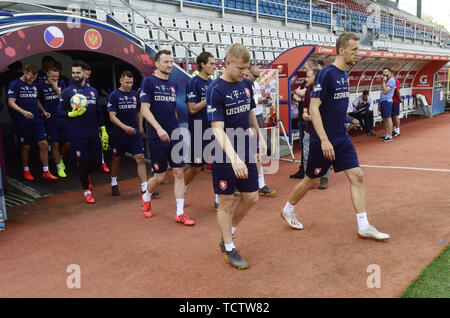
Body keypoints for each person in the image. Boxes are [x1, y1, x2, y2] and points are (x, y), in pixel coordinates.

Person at [281, 32, 390, 242]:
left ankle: (363, 226)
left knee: (357, 176)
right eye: (354, 50)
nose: (358, 53)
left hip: (341, 138)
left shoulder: (344, 74)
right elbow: (313, 108)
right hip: (322, 141)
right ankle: (287, 209)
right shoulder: (327, 74)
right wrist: (323, 139)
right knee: (311, 182)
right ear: (341, 50)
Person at [207, 43, 266, 269]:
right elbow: (217, 129)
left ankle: (227, 233)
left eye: (246, 68)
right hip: (224, 152)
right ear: (227, 62)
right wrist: (234, 158)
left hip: (246, 148)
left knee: (251, 197)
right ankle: (230, 247)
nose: (244, 72)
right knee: (226, 201)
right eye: (240, 68)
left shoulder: (246, 84)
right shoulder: (216, 89)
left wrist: (259, 137)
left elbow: (250, 112)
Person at [140, 50, 194, 226]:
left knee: (179, 172)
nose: (170, 65)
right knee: (160, 177)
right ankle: (146, 195)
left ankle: (180, 213)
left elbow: (172, 111)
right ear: (156, 64)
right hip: (157, 136)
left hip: (174, 134)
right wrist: (158, 128)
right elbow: (144, 110)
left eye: (171, 62)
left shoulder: (172, 85)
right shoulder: (148, 82)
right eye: (166, 62)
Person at [58, 60, 109, 203]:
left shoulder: (93, 91)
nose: (75, 75)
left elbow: (99, 111)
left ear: (84, 74)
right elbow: (59, 111)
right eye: (73, 73)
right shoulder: (67, 92)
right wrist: (70, 114)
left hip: (93, 132)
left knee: (97, 162)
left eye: (78, 72)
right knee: (82, 161)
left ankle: (85, 175)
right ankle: (86, 191)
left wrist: (103, 129)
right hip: (77, 134)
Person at [7, 64, 58, 181]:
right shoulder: (15, 84)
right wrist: (23, 111)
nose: (32, 80)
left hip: (37, 119)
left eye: (34, 78)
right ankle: (26, 169)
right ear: (25, 72)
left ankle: (46, 171)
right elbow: (11, 102)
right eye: (31, 77)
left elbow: (36, 100)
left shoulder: (34, 85)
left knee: (44, 144)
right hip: (22, 120)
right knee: (26, 146)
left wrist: (43, 111)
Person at [184, 51, 218, 208]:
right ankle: (182, 188)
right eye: (211, 63)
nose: (214, 66)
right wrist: (208, 98)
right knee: (197, 167)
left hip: (213, 128)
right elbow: (192, 109)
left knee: (219, 163)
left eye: (214, 63)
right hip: (198, 129)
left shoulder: (213, 82)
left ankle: (219, 199)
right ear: (202, 64)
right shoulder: (193, 82)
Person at [107, 71, 147, 196]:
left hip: (134, 132)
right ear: (120, 81)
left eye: (131, 82)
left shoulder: (135, 94)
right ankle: (114, 184)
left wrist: (140, 126)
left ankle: (145, 188)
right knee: (116, 158)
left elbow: (139, 112)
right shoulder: (114, 95)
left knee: (140, 158)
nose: (129, 85)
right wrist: (124, 127)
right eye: (127, 82)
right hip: (120, 133)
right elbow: (111, 116)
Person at [290, 59, 324, 179]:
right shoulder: (308, 83)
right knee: (305, 148)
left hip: (316, 122)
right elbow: (301, 98)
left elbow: (301, 93)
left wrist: (298, 92)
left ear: (311, 68)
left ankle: (321, 175)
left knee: (317, 149)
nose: (304, 71)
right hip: (304, 119)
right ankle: (305, 172)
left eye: (305, 68)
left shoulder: (318, 83)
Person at [246, 64, 276, 196]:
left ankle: (261, 184)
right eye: (255, 76)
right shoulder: (244, 84)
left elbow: (256, 100)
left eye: (258, 76)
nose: (257, 78)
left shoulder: (256, 84)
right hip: (248, 118)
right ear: (248, 73)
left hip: (258, 116)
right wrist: (258, 100)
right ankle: (248, 182)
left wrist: (262, 100)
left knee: (258, 152)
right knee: (250, 152)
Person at [37, 65, 70, 178]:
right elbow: (37, 100)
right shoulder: (40, 86)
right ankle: (59, 167)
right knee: (54, 143)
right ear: (47, 74)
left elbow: (65, 100)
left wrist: (56, 88)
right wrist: (43, 110)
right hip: (50, 119)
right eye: (53, 76)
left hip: (63, 117)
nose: (55, 78)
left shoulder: (61, 84)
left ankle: (60, 158)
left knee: (68, 142)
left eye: (57, 76)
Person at [378, 67, 396, 142]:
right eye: (383, 72)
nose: (384, 73)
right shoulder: (386, 80)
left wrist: (384, 82)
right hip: (383, 101)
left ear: (389, 72)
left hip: (387, 101)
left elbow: (386, 91)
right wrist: (379, 103)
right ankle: (386, 134)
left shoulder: (391, 80)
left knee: (388, 118)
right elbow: (382, 92)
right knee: (384, 118)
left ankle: (390, 135)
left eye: (385, 72)